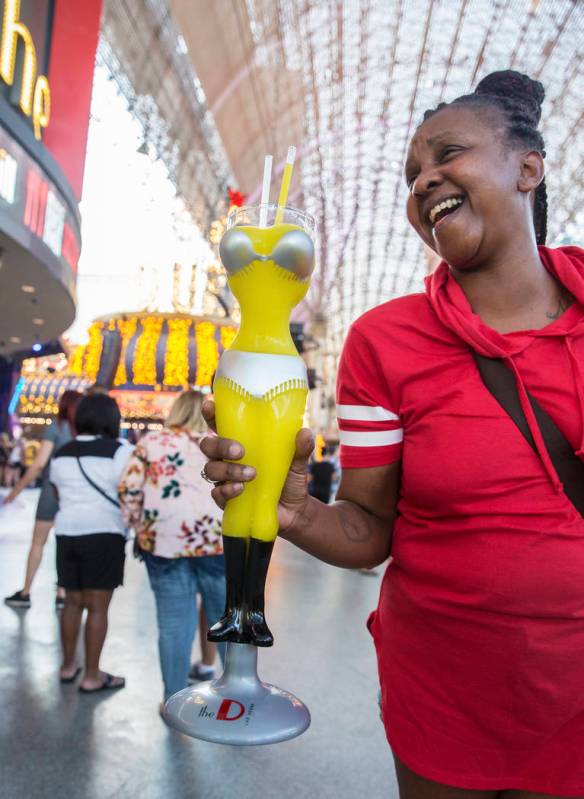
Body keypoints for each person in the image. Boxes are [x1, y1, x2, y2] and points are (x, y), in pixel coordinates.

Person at [200, 71, 584, 797]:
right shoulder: (387, 342)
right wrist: (294, 512)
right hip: (442, 695)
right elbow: (369, 528)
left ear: (529, 167)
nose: (424, 180)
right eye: (412, 174)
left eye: (449, 154)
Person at [119, 390, 225, 707]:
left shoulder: (151, 443)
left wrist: (141, 526)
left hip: (164, 545)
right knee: (226, 621)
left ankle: (174, 701)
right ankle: (238, 696)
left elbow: (128, 490)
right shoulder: (221, 447)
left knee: (174, 626)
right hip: (217, 544)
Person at [51, 393, 132, 692]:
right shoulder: (120, 451)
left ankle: (68, 666)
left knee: (71, 603)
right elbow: (131, 493)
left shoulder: (62, 453)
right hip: (104, 534)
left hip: (66, 533)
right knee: (97, 608)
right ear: (113, 419)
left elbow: (58, 494)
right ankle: (92, 676)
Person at [4, 390, 82, 610]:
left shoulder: (56, 427)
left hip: (52, 490)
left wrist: (15, 491)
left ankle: (26, 591)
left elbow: (39, 464)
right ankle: (62, 593)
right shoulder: (83, 429)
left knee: (38, 542)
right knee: (65, 543)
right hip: (75, 492)